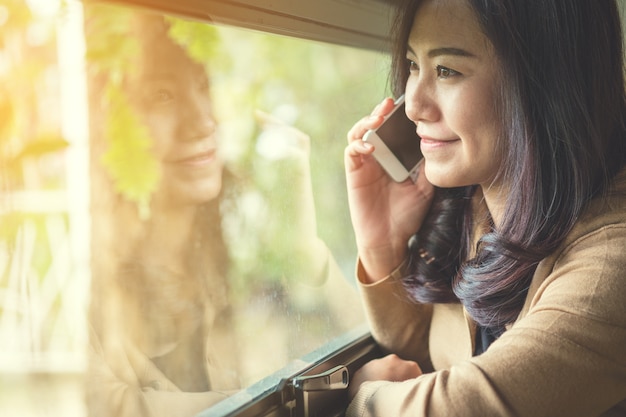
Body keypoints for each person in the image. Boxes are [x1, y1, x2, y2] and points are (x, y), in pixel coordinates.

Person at [344, 0, 626, 416]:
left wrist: (367, 397)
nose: (414, 104)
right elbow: (442, 354)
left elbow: (465, 405)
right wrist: (382, 247)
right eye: (412, 65)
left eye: (447, 70)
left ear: (546, 82)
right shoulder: (481, 208)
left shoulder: (611, 264)